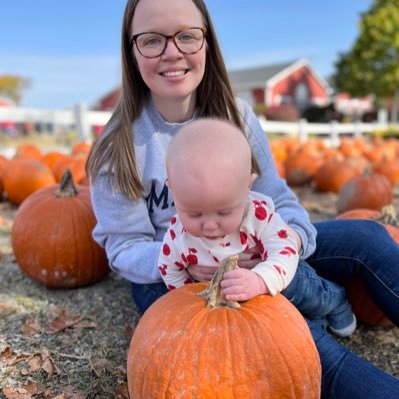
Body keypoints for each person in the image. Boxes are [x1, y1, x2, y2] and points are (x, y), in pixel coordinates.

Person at [86, 0, 399, 397]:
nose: (172, 52)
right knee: (294, 343)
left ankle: (317, 294)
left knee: (369, 238)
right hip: (177, 274)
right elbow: (124, 246)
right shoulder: (119, 147)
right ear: (132, 51)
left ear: (206, 42)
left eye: (186, 35)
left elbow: (275, 197)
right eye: (151, 40)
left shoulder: (237, 116)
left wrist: (289, 244)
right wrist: (197, 253)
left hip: (254, 236)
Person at [159, 118, 357, 337]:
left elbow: (286, 251)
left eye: (224, 212)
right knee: (287, 325)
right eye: (194, 213)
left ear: (248, 186)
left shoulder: (258, 215)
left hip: (274, 271)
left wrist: (260, 280)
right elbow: (169, 268)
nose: (210, 225)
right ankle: (316, 321)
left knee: (303, 291)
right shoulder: (178, 235)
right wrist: (190, 294)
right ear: (173, 192)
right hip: (233, 291)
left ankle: (335, 300)